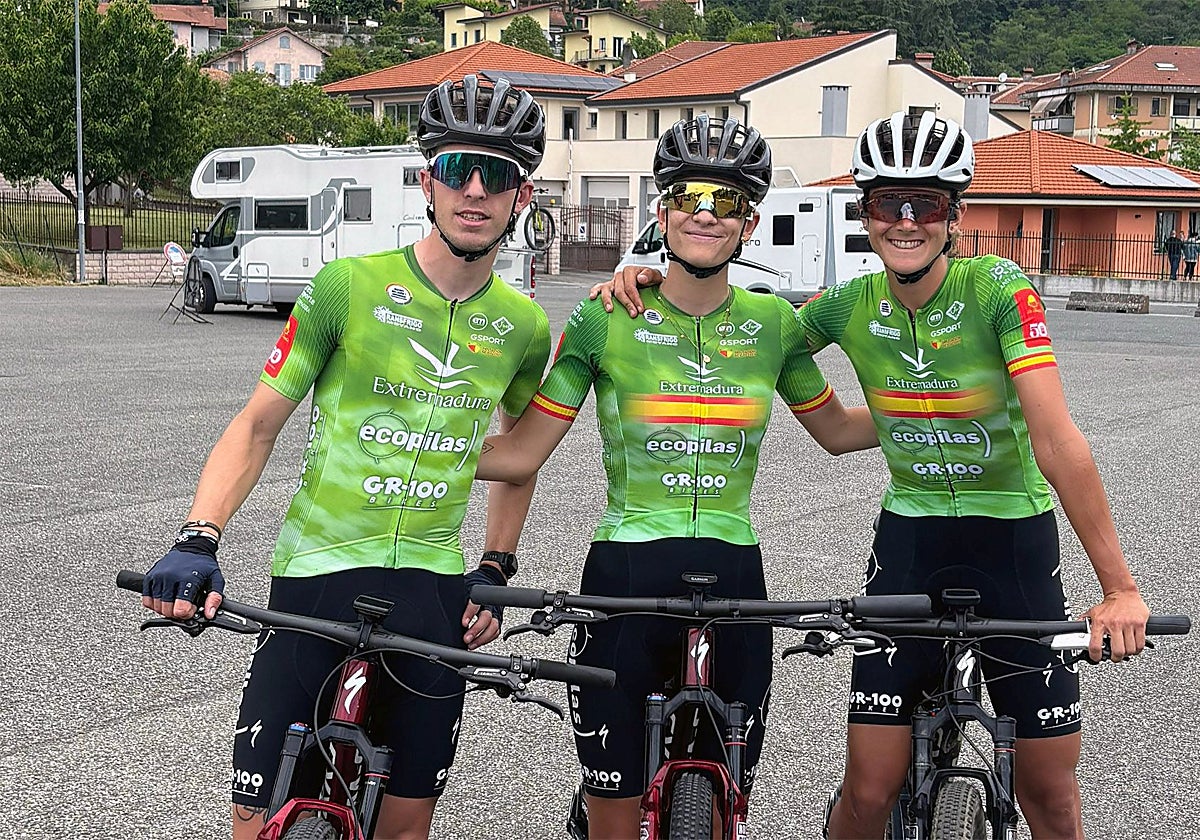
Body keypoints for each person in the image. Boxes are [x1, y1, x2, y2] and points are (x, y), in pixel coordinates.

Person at [596, 110, 1150, 840]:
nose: (909, 221)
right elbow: (734, 325)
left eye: (929, 204)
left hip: (1015, 542)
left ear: (956, 215)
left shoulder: (998, 290)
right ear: (867, 213)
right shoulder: (847, 306)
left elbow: (1055, 439)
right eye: (891, 204)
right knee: (867, 792)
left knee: (1051, 797)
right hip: (910, 542)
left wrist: (1120, 588)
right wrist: (647, 279)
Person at [139, 75, 551, 840]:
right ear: (428, 179)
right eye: (457, 168)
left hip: (430, 588)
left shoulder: (523, 326)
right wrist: (198, 536)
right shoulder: (347, 287)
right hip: (318, 573)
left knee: (405, 823)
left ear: (520, 197)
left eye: (496, 175)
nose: (473, 190)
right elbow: (258, 425)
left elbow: (521, 457)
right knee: (253, 815)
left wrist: (495, 567)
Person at [475, 116, 879, 839]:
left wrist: (943, 405)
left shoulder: (773, 325)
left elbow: (840, 432)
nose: (704, 212)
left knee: (728, 804)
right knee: (614, 817)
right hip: (626, 569)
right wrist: (415, 443)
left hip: (734, 569)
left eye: (725, 202)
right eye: (689, 195)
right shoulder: (605, 319)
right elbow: (520, 453)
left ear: (748, 224)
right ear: (661, 212)